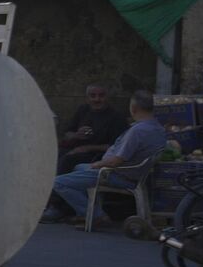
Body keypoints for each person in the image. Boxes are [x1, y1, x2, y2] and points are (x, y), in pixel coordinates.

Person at [43, 90, 168, 229]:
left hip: (116, 174)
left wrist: (97, 164)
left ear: (133, 108)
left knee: (58, 182)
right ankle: (85, 212)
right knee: (78, 167)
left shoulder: (137, 131)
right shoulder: (158, 128)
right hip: (134, 173)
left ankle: (96, 216)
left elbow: (116, 161)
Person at [57, 84, 129, 175]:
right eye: (93, 96)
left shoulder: (117, 117)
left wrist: (87, 148)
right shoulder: (83, 110)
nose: (97, 99)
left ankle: (57, 182)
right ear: (87, 98)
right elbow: (67, 134)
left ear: (107, 97)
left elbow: (116, 146)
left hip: (98, 155)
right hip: (76, 148)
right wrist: (76, 135)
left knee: (68, 159)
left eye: (101, 95)